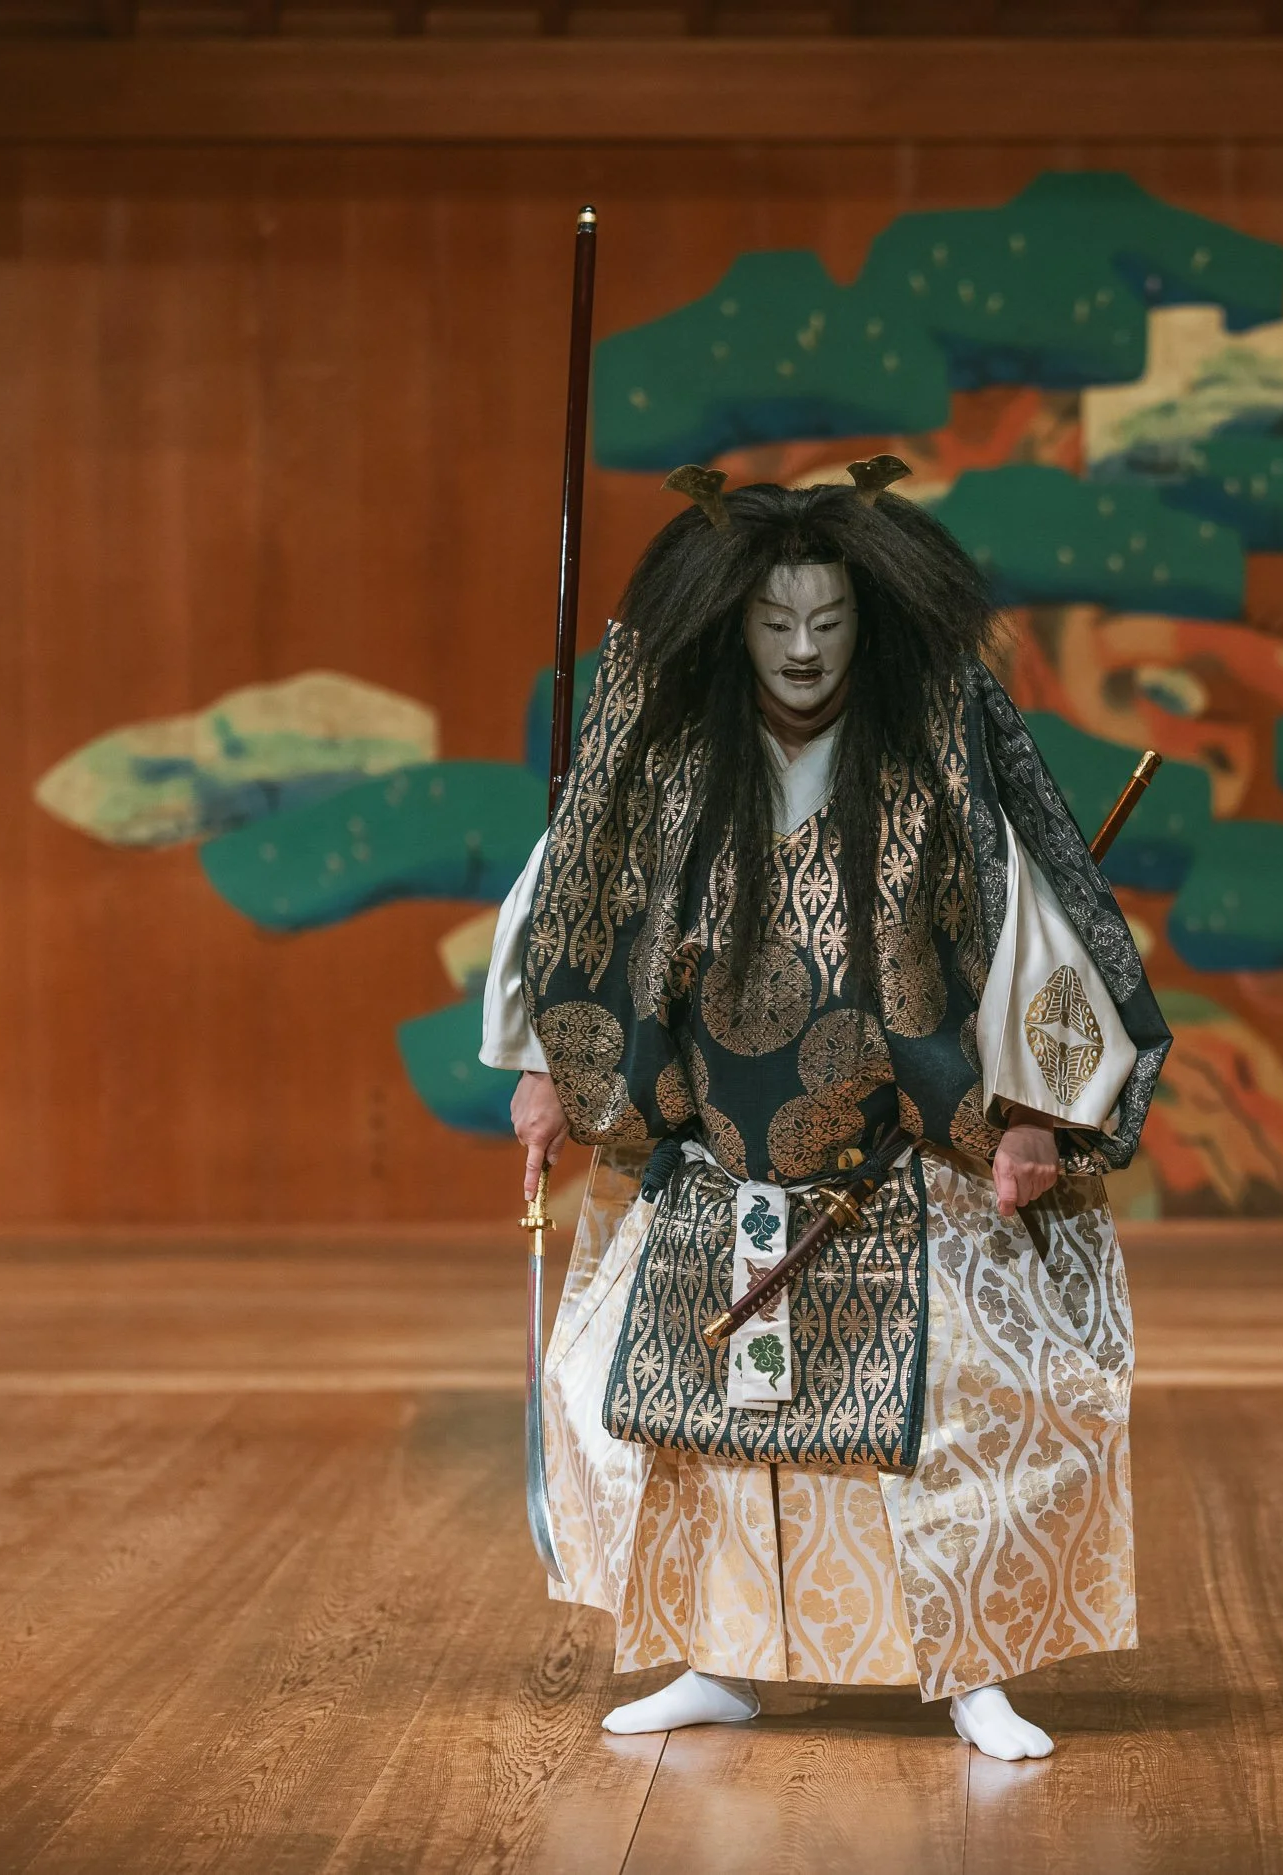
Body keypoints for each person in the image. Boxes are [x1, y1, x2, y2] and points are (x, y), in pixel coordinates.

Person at [479, 458, 1168, 1761]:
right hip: (714, 1143)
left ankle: (973, 1670)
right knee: (704, 1426)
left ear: (869, 625)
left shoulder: (929, 761)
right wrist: (550, 1066)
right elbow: (577, 898)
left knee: (960, 1416)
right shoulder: (674, 752)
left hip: (900, 1154)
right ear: (735, 624)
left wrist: (1028, 1110)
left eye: (828, 622)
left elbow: (1031, 927)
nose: (801, 649)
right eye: (776, 622)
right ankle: (723, 1659)